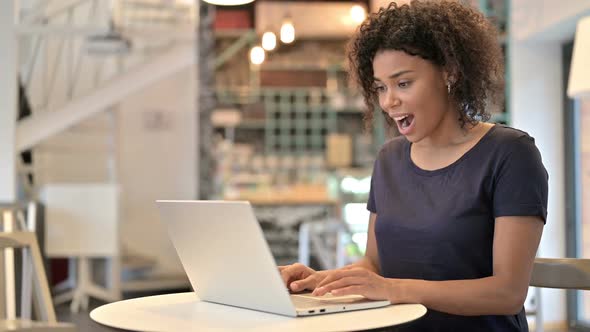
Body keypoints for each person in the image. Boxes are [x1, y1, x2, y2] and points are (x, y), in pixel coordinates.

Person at [279, 1, 548, 331]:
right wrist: (322, 281)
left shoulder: (510, 154)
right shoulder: (389, 158)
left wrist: (394, 289)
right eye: (380, 87)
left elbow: (507, 292)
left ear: (449, 72)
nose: (389, 101)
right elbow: (376, 263)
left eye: (403, 83)